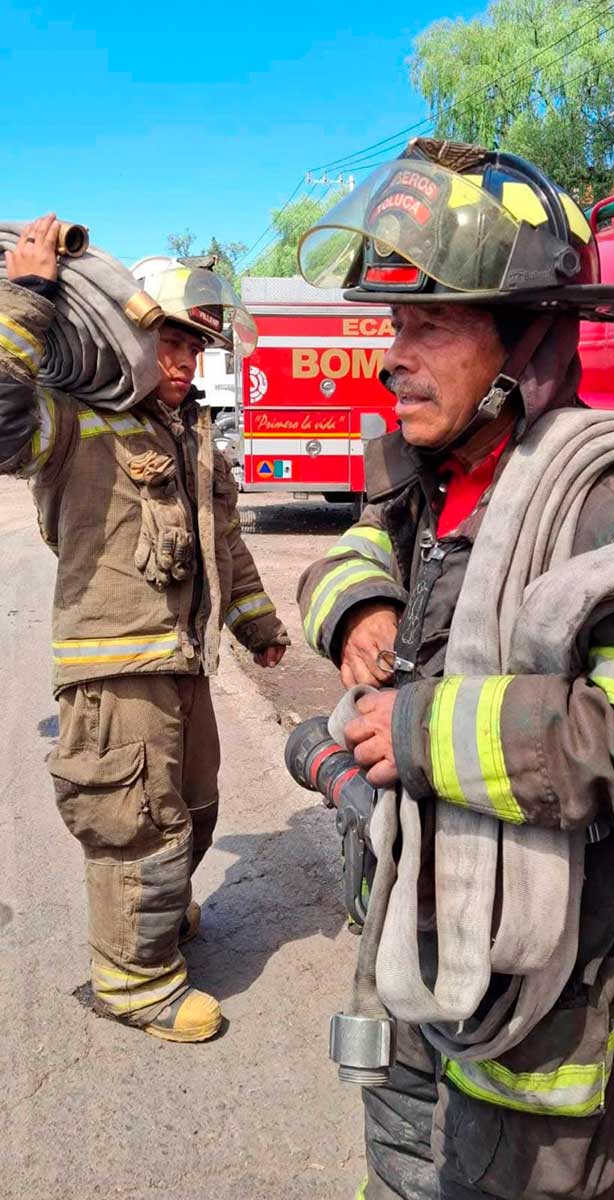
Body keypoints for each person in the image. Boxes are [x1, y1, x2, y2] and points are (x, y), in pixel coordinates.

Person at [297, 140, 614, 1198]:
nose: (392, 354)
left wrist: (413, 732)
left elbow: (613, 736)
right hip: (405, 955)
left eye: (428, 323)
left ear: (527, 337)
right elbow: (350, 546)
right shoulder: (419, 479)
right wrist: (357, 600)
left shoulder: (599, 502)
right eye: (392, 324)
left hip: (538, 1025)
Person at [0, 215, 288, 1042]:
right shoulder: (73, 424)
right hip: (113, 667)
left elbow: (222, 539)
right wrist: (28, 297)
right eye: (166, 342)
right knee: (137, 821)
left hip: (184, 662)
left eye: (194, 347)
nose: (182, 362)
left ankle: (154, 921)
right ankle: (133, 981)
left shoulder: (192, 429)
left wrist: (257, 624)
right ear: (123, 338)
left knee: (195, 808)